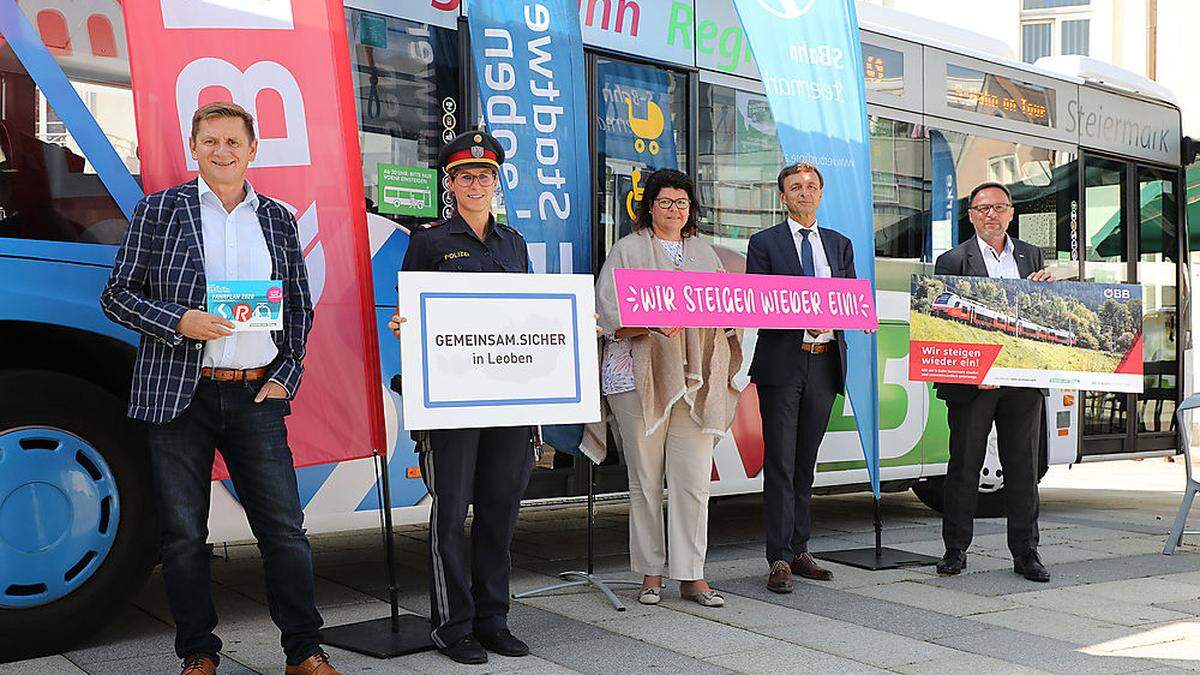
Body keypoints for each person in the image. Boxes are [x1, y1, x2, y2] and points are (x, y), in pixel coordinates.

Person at [100, 102, 338, 675]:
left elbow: (299, 311)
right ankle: (198, 654)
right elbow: (116, 295)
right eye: (211, 141)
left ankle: (304, 651)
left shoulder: (278, 219)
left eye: (234, 141)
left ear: (252, 150)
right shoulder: (159, 211)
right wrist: (178, 321)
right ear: (194, 146)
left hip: (256, 396)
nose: (222, 151)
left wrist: (285, 377)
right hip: (180, 396)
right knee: (183, 536)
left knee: (285, 531)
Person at [386, 131, 534, 665]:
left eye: (485, 175)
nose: (477, 184)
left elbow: (529, 317)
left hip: (509, 400)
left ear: (497, 182)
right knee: (451, 513)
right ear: (450, 184)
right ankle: (453, 626)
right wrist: (405, 324)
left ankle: (494, 619)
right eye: (466, 176)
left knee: (500, 509)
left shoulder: (513, 243)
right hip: (451, 399)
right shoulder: (428, 241)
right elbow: (409, 310)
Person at [585, 168, 742, 608]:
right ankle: (651, 573)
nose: (674, 209)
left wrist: (728, 319)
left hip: (695, 383)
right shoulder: (627, 249)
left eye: (682, 203)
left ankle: (692, 575)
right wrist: (650, 323)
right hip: (636, 377)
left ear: (691, 210)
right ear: (648, 206)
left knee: (693, 480)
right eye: (665, 201)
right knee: (645, 481)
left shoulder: (705, 253)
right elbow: (607, 313)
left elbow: (725, 309)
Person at [933, 181, 1053, 583]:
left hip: (1022, 379)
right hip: (974, 383)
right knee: (964, 466)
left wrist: (1049, 292)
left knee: (1023, 467)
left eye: (999, 207)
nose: (991, 215)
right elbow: (944, 324)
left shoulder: (1031, 254)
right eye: (983, 208)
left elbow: (1041, 313)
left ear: (1011, 213)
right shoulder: (952, 260)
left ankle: (1026, 554)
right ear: (970, 215)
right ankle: (955, 551)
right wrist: (970, 371)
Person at [746, 162, 854, 594]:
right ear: (783, 197)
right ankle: (778, 558)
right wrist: (800, 322)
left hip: (825, 362)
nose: (804, 193)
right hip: (783, 362)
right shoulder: (765, 243)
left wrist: (854, 316)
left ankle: (801, 548)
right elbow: (758, 302)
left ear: (821, 194)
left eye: (811, 187)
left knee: (806, 461)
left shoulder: (839, 244)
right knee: (780, 462)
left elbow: (849, 297)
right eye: (796, 187)